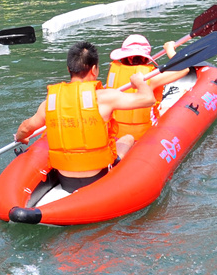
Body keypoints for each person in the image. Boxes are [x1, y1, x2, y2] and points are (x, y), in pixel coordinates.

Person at [14, 41, 156, 193]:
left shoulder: (51, 101)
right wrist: (139, 83)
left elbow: (25, 128)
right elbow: (148, 100)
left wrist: (22, 137)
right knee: (127, 138)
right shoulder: (105, 97)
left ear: (69, 69)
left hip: (65, 179)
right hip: (97, 176)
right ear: (94, 69)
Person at [105, 34, 190, 141]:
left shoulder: (114, 71)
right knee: (168, 109)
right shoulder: (150, 78)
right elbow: (184, 69)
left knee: (163, 108)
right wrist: (170, 49)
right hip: (143, 133)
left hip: (116, 132)